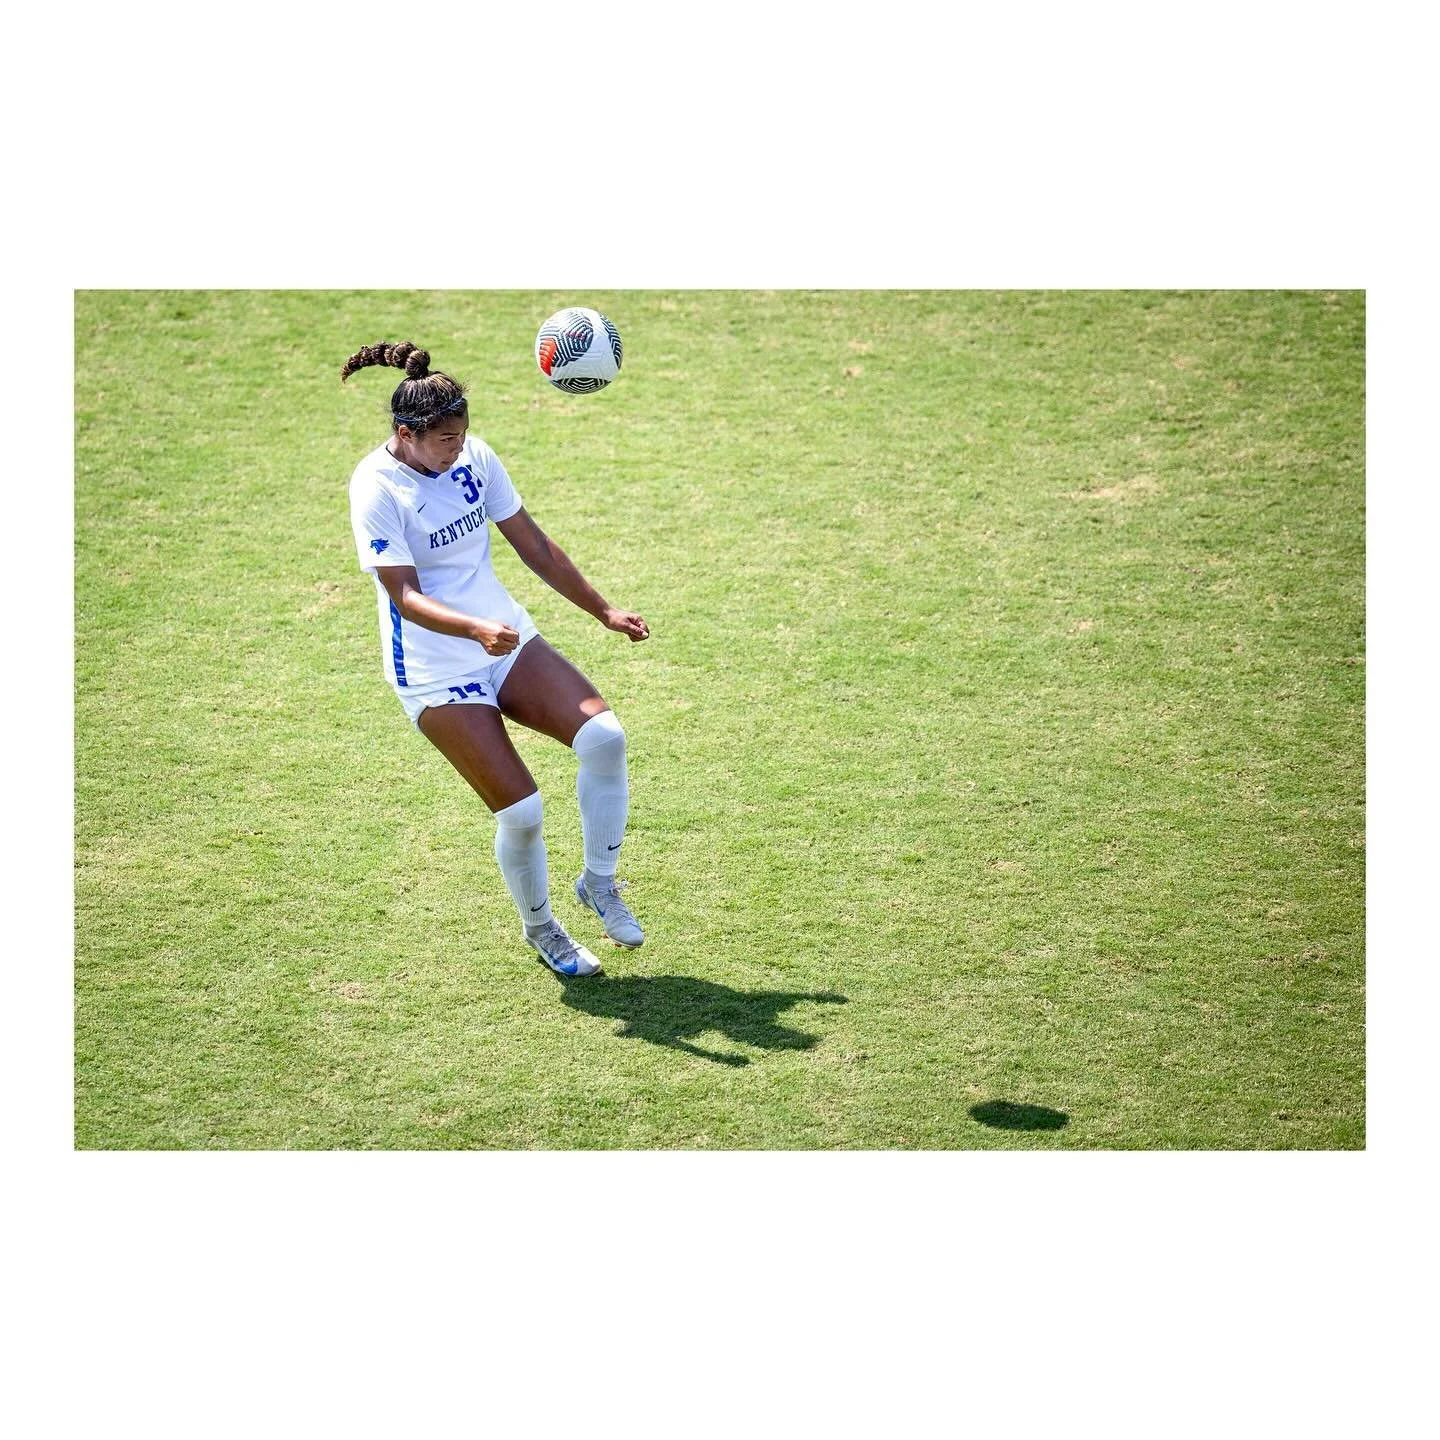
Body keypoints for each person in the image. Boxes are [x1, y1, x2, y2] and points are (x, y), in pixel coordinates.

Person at [342, 340, 649, 977]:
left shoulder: (475, 459)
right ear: (408, 433)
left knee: (604, 738)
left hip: (503, 638)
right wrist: (476, 630)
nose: (458, 451)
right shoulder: (376, 488)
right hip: (435, 668)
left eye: (462, 437)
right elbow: (403, 594)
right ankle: (543, 929)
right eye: (445, 441)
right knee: (523, 812)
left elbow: (531, 541)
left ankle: (599, 882)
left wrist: (603, 610)